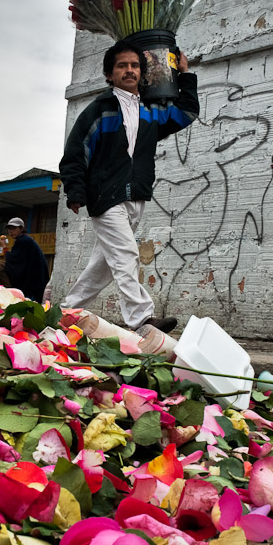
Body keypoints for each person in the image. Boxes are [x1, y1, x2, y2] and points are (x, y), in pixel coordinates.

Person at [59, 39, 199, 333]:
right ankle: (143, 320)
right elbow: (76, 150)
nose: (129, 70)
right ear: (109, 74)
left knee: (104, 266)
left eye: (135, 65)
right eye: (122, 65)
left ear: (142, 72)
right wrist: (75, 189)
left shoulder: (151, 111)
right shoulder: (99, 110)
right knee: (126, 255)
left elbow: (185, 113)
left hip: (136, 195)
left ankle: (65, 312)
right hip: (105, 194)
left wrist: (185, 75)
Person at [1, 217, 50, 302]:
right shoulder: (24, 240)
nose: (11, 231)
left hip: (32, 283)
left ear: (21, 229)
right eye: (9, 229)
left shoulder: (23, 241)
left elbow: (14, 262)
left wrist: (4, 247)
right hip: (34, 282)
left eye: (14, 228)